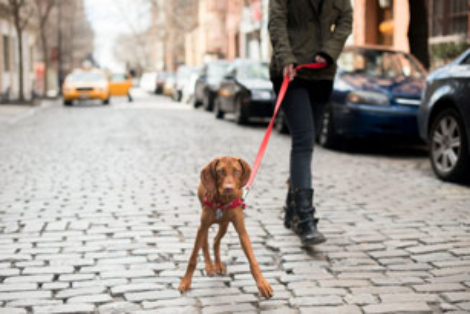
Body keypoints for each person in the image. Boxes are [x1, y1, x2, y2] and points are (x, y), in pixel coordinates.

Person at [268, 0, 352, 245]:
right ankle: (305, 219)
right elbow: (276, 21)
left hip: (323, 73)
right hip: (291, 72)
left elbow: (346, 20)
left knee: (309, 139)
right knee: (304, 141)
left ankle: (291, 209)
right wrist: (285, 58)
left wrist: (329, 52)